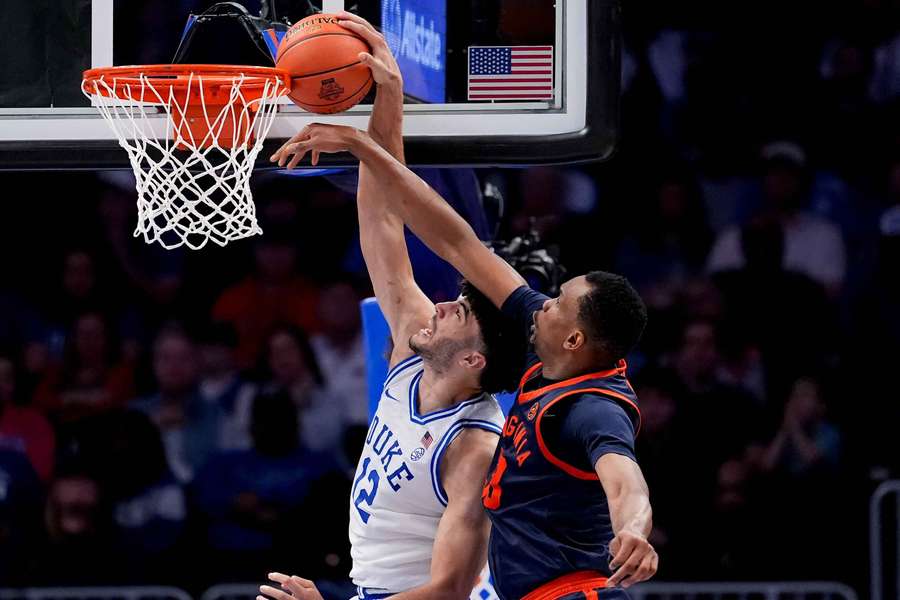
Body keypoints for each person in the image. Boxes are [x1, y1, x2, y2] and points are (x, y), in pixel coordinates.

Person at [268, 24, 658, 600]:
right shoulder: (436, 346)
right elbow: (430, 236)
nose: (537, 300)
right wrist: (381, 112)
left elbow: (625, 481)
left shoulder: (536, 426)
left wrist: (634, 530)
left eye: (555, 301)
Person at [260, 12, 526, 600]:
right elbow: (383, 220)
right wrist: (388, 96)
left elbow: (452, 589)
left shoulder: (474, 447)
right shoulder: (414, 347)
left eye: (464, 311)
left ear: (474, 361)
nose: (446, 305)